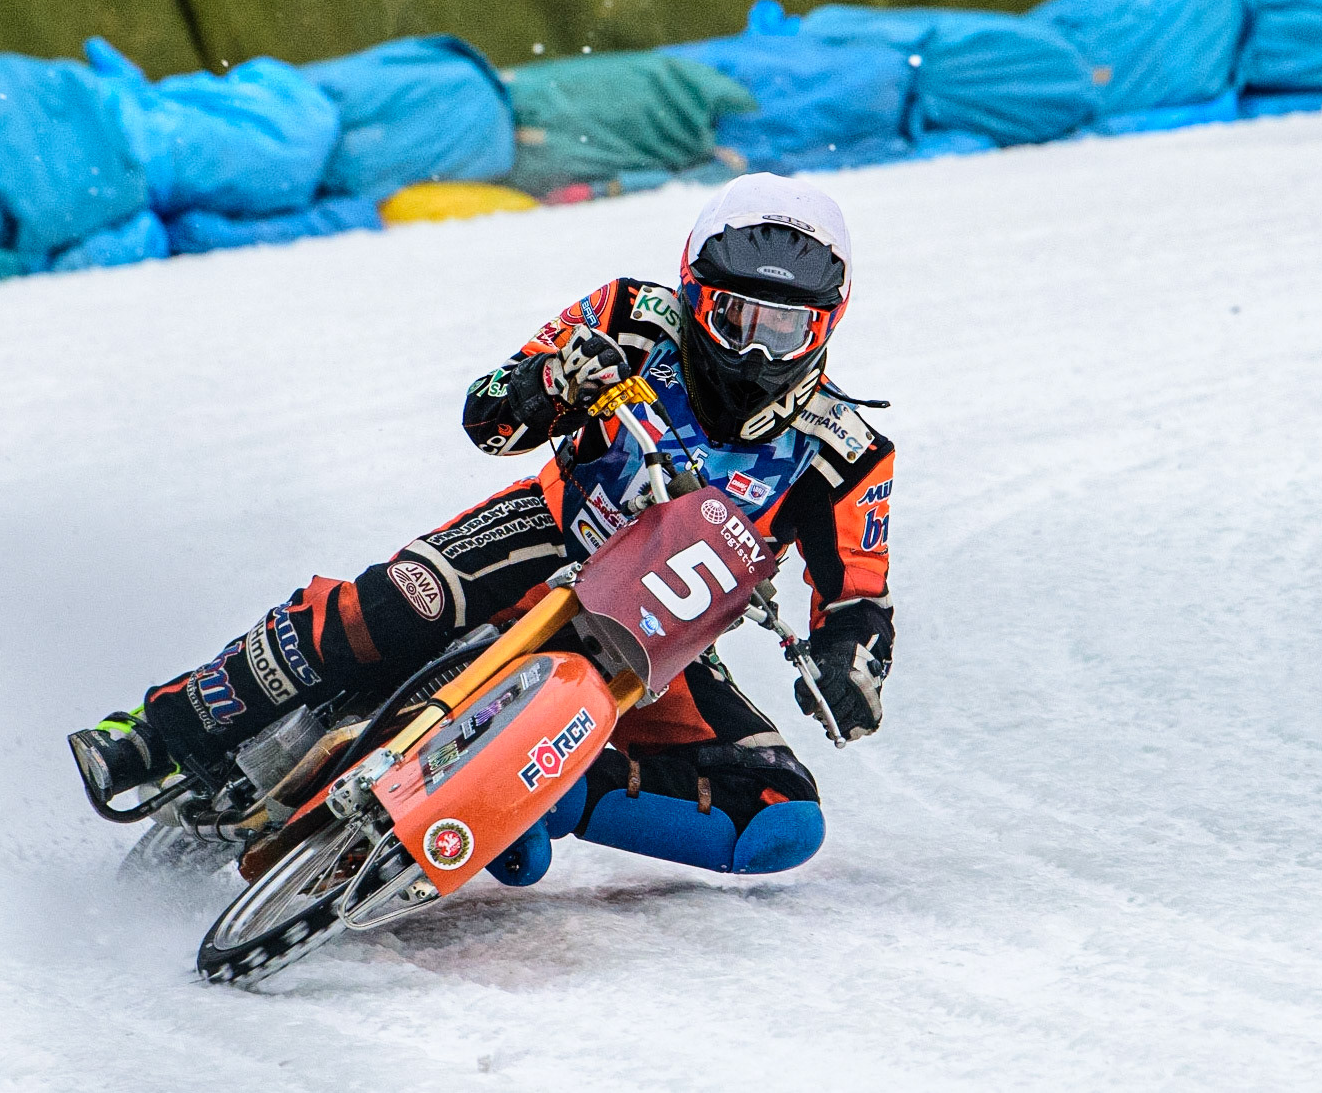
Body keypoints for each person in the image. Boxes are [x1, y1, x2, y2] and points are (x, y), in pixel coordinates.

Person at [71, 173, 895, 880]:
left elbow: (859, 598)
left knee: (783, 817)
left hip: (652, 632)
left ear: (829, 322)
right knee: (388, 608)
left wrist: (851, 665)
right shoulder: (630, 316)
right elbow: (488, 418)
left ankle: (531, 795)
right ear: (690, 290)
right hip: (543, 535)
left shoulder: (847, 452)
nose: (754, 353)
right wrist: (552, 382)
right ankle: (158, 731)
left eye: (784, 328)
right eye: (734, 319)